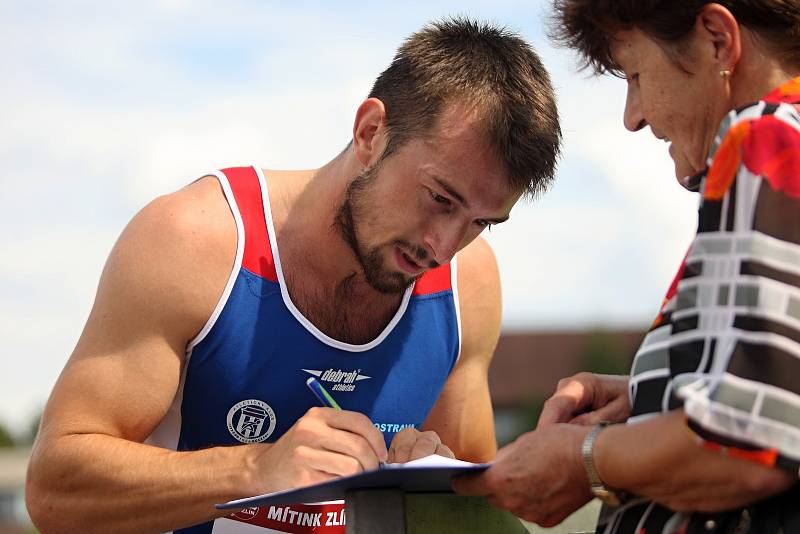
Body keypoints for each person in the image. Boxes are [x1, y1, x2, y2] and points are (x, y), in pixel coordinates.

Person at [24, 17, 561, 534]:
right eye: (440, 199)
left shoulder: (468, 285)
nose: (443, 248)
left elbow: (474, 497)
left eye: (482, 223)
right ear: (371, 132)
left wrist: (428, 474)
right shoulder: (195, 242)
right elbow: (54, 493)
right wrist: (253, 471)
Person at [453, 2, 800, 533]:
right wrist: (651, 391)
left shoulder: (768, 139)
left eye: (636, 73)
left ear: (716, 40)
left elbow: (742, 444)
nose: (632, 116)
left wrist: (582, 457)